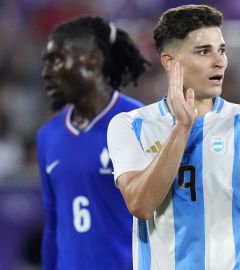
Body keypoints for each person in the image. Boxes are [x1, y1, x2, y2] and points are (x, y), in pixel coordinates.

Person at [107, 4, 240, 270]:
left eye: (221, 50)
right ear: (169, 61)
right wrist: (181, 128)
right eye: (204, 51)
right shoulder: (131, 125)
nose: (219, 61)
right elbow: (140, 205)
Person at [37, 16, 150, 269]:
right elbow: (53, 225)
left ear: (93, 58)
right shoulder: (47, 136)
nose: (46, 73)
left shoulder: (139, 122)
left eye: (55, 60)